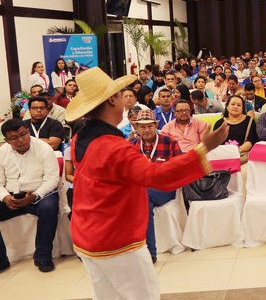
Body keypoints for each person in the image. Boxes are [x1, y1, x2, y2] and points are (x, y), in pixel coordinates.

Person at [65, 67, 229, 299]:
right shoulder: (114, 146)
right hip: (117, 240)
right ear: (112, 99)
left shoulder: (80, 138)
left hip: (87, 235)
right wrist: (204, 149)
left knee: (106, 296)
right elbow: (159, 177)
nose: (125, 97)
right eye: (121, 93)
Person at [0, 118, 60, 273]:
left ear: (27, 131)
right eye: (14, 138)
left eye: (23, 134)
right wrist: (5, 197)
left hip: (40, 193)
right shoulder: (2, 152)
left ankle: (43, 257)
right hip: (12, 195)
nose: (21, 140)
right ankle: (1, 260)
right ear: (7, 140)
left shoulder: (43, 148)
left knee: (49, 208)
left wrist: (35, 195)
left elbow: (52, 179)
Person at [129, 109, 184, 263]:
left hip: (165, 188)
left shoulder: (169, 141)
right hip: (142, 189)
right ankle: (140, 251)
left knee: (143, 197)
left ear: (156, 125)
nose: (146, 130)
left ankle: (149, 251)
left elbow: (179, 168)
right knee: (142, 199)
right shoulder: (132, 146)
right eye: (142, 127)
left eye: (150, 126)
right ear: (137, 128)